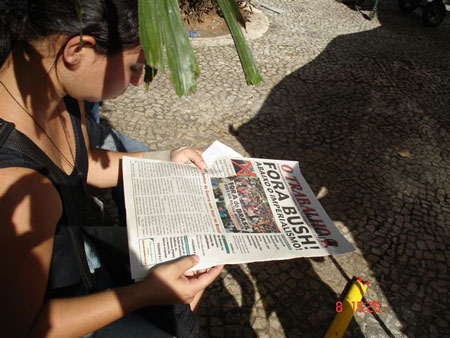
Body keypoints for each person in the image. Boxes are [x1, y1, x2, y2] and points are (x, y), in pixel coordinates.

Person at [0, 0, 223, 337]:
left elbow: (81, 162)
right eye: (136, 67)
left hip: (78, 259)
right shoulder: (21, 187)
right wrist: (147, 293)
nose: (137, 82)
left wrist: (163, 159)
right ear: (78, 50)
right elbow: (22, 327)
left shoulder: (55, 87)